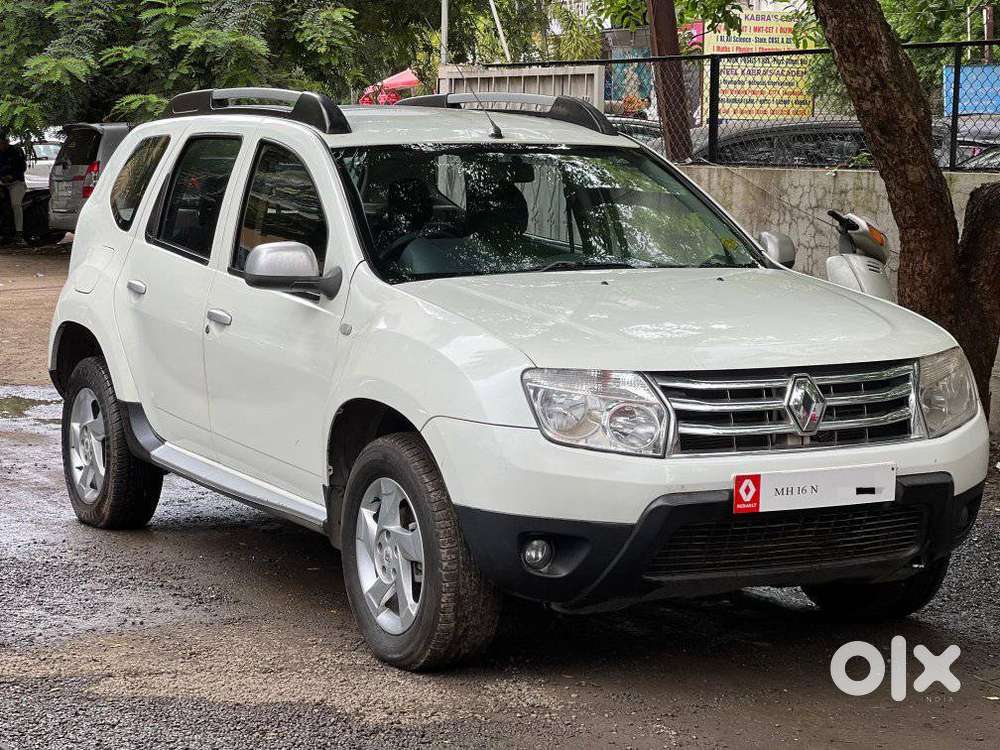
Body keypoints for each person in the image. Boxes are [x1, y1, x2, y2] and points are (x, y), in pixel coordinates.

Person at [0, 131, 28, 246]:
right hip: (2, 182)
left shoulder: (16, 151)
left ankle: (19, 233)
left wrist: (11, 176)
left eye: (3, 143)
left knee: (16, 205)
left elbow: (22, 168)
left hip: (16, 182)